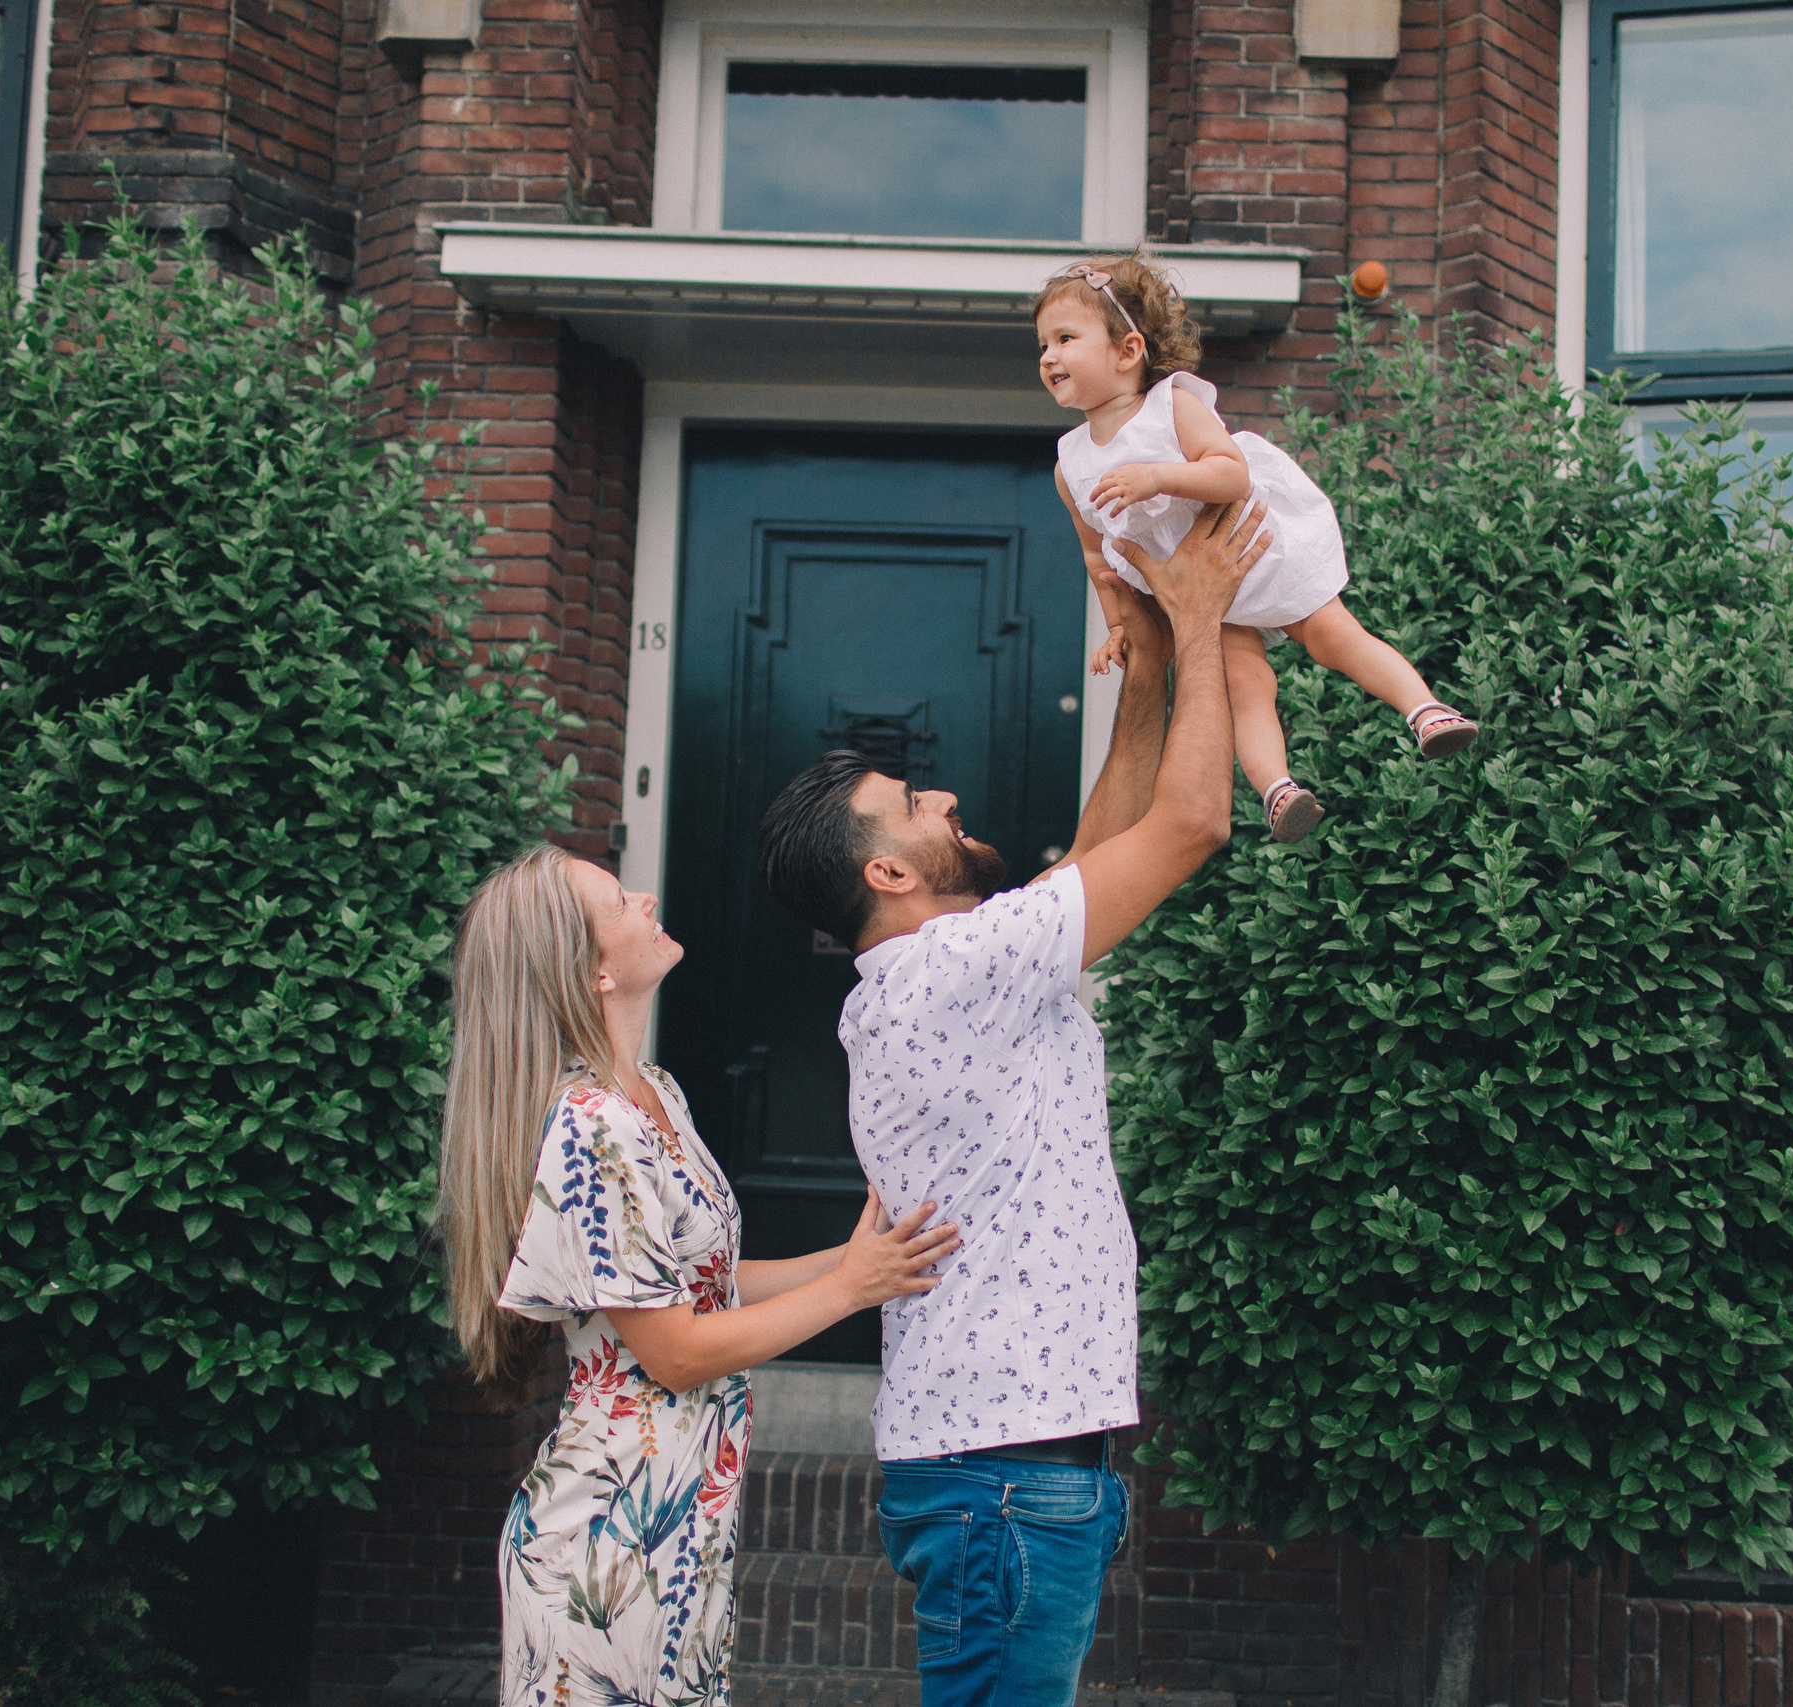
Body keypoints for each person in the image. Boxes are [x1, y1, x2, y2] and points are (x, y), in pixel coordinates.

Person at [753, 496, 1268, 1707]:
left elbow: (1101, 848)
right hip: (1005, 1475)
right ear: (886, 871)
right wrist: (1196, 627)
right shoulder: (950, 971)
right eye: (915, 806)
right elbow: (1190, 824)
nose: (944, 804)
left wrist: (1141, 675)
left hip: (1013, 1465)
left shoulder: (945, 972)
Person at [433, 843, 961, 1707]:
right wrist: (852, 1288)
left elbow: (706, 1284)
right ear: (593, 970)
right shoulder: (592, 1125)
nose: (645, 897)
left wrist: (865, 1256)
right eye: (617, 901)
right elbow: (673, 1351)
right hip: (607, 1545)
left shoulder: (655, 1092)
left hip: (681, 1527)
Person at [1036, 253, 1481, 845]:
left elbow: (1230, 475)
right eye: (1041, 344)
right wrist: (1117, 625)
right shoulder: (1072, 464)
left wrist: (1159, 477)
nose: (1048, 356)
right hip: (1201, 596)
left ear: (1127, 350)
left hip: (1254, 552)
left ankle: (1426, 711)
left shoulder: (1172, 407)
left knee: (1331, 636)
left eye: (1065, 338)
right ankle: (1278, 791)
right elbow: (1099, 558)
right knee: (1245, 685)